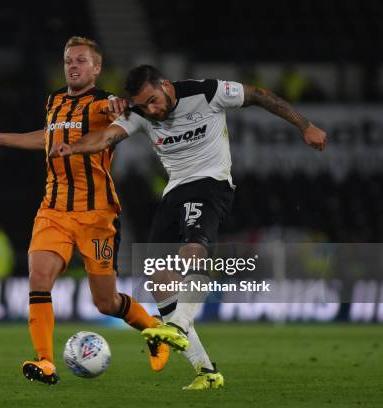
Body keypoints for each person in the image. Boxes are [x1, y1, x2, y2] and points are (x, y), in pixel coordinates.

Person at [51, 64, 327, 389]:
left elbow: (259, 95)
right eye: (144, 106)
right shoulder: (140, 112)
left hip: (211, 183)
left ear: (165, 85)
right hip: (174, 191)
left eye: (154, 100)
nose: (152, 110)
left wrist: (305, 126)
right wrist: (75, 147)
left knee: (193, 248)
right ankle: (207, 372)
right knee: (157, 276)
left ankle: (179, 325)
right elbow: (107, 136)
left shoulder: (206, 92)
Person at [0, 37, 169, 385]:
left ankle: (153, 328)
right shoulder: (55, 101)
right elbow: (48, 138)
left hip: (97, 215)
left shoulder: (101, 103)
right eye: (68, 61)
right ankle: (45, 362)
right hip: (54, 210)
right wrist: (3, 137)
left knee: (106, 303)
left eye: (81, 60)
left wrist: (117, 106)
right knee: (39, 279)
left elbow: (115, 110)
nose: (73, 66)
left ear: (96, 68)